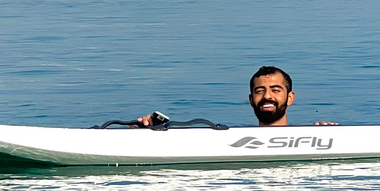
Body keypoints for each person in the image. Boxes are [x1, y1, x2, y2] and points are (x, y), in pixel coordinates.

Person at [135, 66, 338, 127]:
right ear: (251, 100)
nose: (267, 96)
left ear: (290, 98)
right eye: (260, 91)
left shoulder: (313, 134)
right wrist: (146, 130)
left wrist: (333, 133)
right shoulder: (232, 137)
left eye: (276, 90)